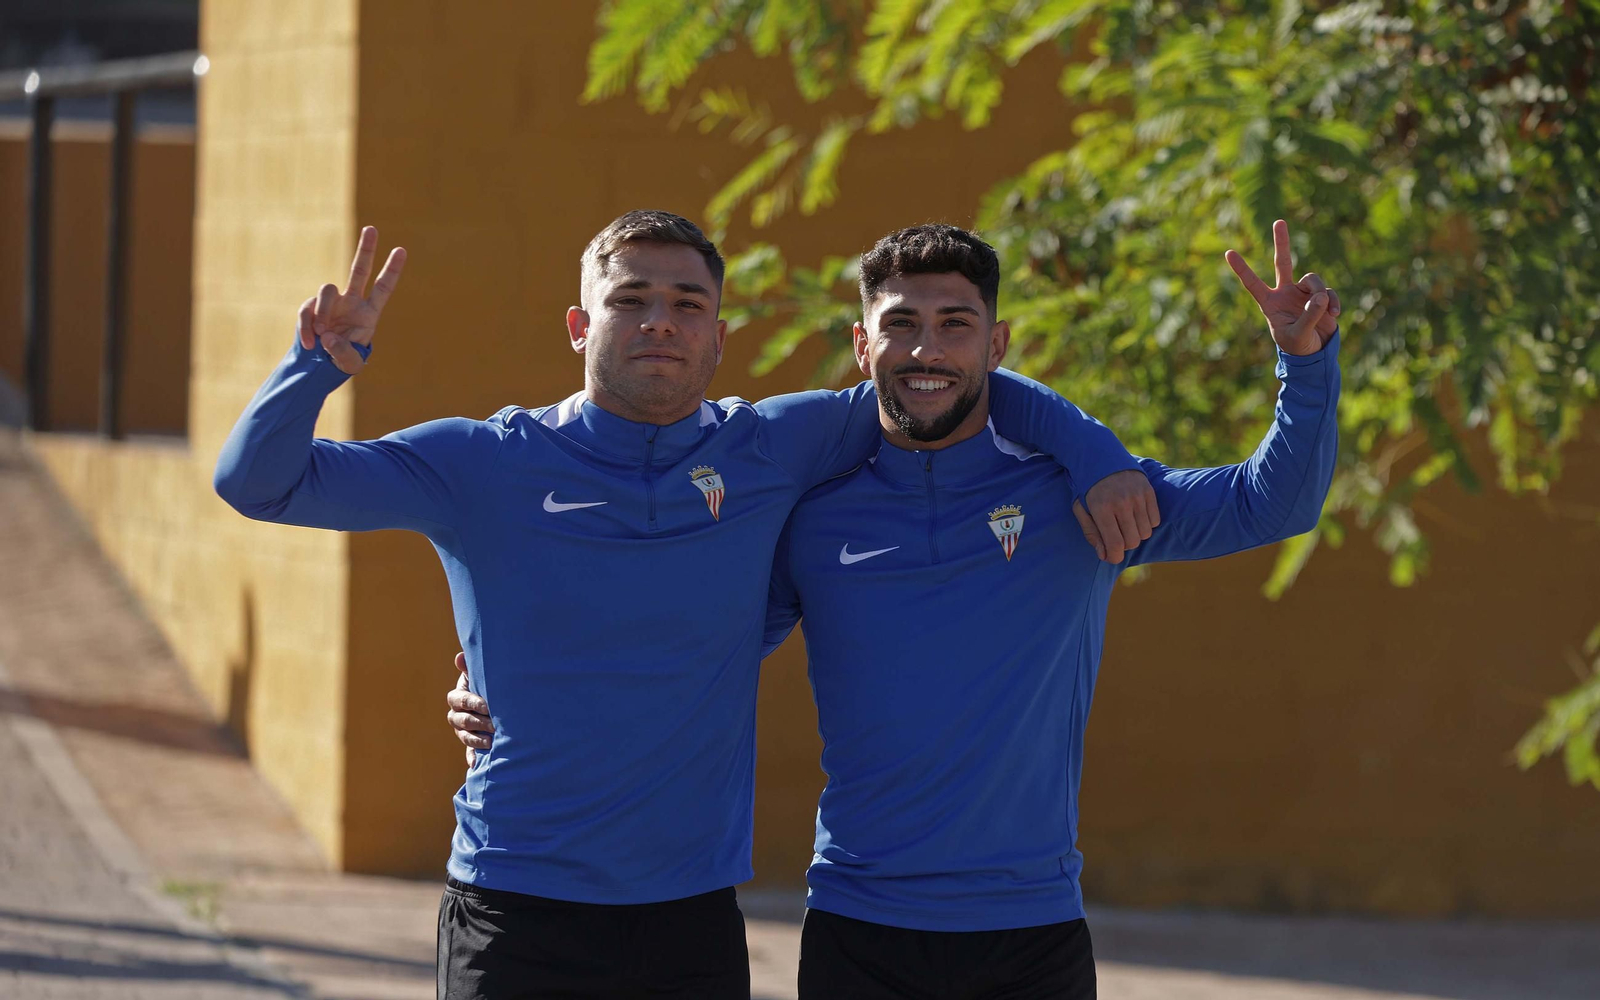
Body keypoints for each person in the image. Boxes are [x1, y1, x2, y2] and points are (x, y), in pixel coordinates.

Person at [213, 210, 1157, 1000]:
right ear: (581, 327)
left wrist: (1097, 453)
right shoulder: (482, 460)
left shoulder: (777, 444)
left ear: (718, 335)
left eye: (686, 304)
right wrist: (317, 366)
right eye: (630, 300)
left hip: (690, 922)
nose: (659, 322)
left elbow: (941, 379)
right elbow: (259, 483)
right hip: (515, 906)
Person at [447, 220, 1342, 998]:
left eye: (957, 325)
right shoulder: (812, 513)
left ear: (997, 345)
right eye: (902, 326)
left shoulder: (1083, 499)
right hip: (858, 932)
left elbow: (1275, 504)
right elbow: (684, 643)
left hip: (1031, 935)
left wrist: (1303, 366)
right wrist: (509, 688)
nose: (927, 350)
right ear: (863, 346)